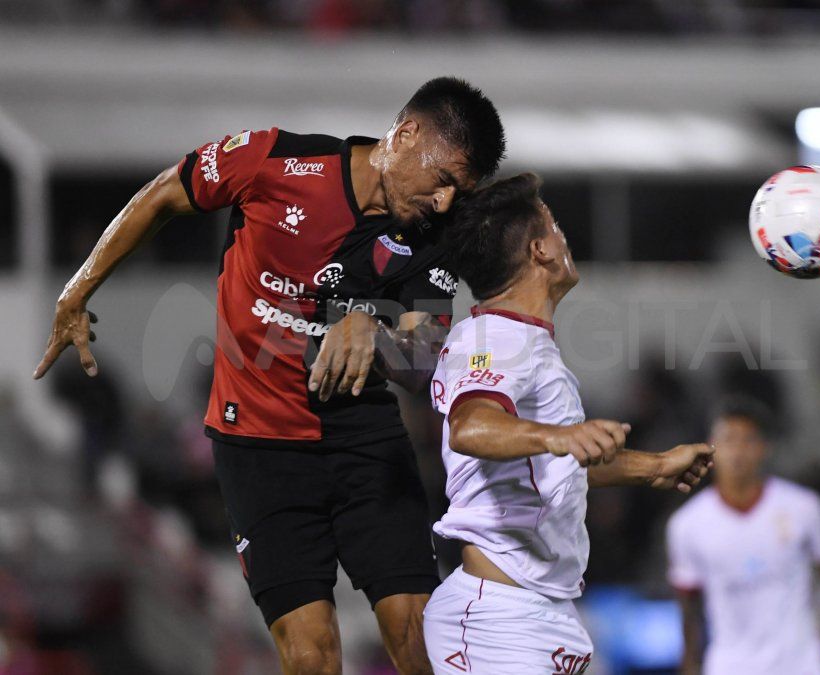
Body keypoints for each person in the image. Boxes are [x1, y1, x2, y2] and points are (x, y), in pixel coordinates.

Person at [33, 77, 506, 675]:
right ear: (407, 134)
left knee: (419, 637)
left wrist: (373, 330)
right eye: (444, 181)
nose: (444, 203)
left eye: (458, 193)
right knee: (312, 655)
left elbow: (420, 362)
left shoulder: (430, 236)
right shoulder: (276, 160)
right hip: (257, 444)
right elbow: (163, 196)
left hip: (363, 441)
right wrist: (78, 290)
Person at [422, 173, 715, 674]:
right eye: (555, 227)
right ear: (540, 250)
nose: (563, 237)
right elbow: (470, 427)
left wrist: (653, 466)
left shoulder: (521, 342)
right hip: (499, 619)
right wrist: (562, 435)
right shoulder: (498, 337)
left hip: (534, 611)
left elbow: (547, 468)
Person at [666, 397, 820, 675]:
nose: (738, 451)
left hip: (800, 663)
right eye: (729, 440)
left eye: (748, 440)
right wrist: (689, 663)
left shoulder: (803, 507)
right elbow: (689, 604)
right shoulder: (687, 525)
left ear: (764, 448)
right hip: (731, 665)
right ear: (711, 447)